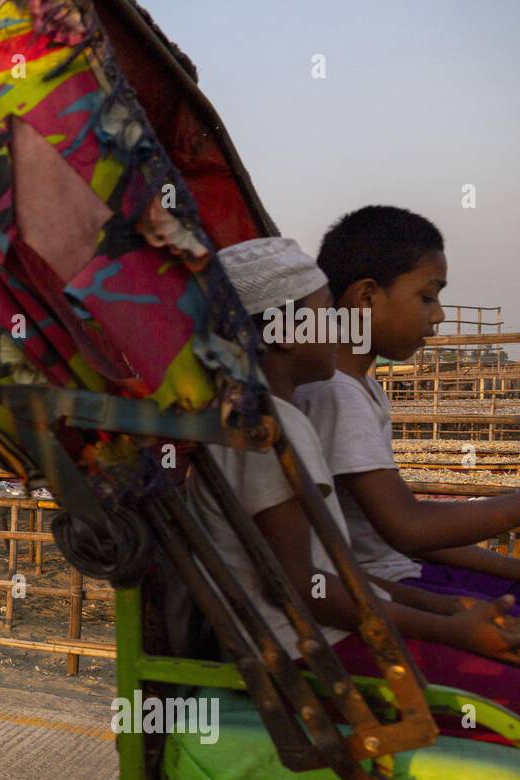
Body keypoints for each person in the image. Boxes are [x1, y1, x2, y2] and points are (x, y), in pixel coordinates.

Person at [187, 237, 520, 731]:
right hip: (316, 654)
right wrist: (448, 631)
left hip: (332, 635)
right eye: (327, 314)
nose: (341, 329)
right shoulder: (265, 430)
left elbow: (329, 571)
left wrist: (444, 609)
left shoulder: (278, 419)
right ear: (280, 332)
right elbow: (303, 588)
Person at [297, 205, 520, 607]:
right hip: (379, 591)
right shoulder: (337, 396)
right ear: (366, 296)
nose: (438, 315)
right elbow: (409, 529)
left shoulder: (363, 389)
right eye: (427, 296)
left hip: (397, 572)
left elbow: (406, 526)